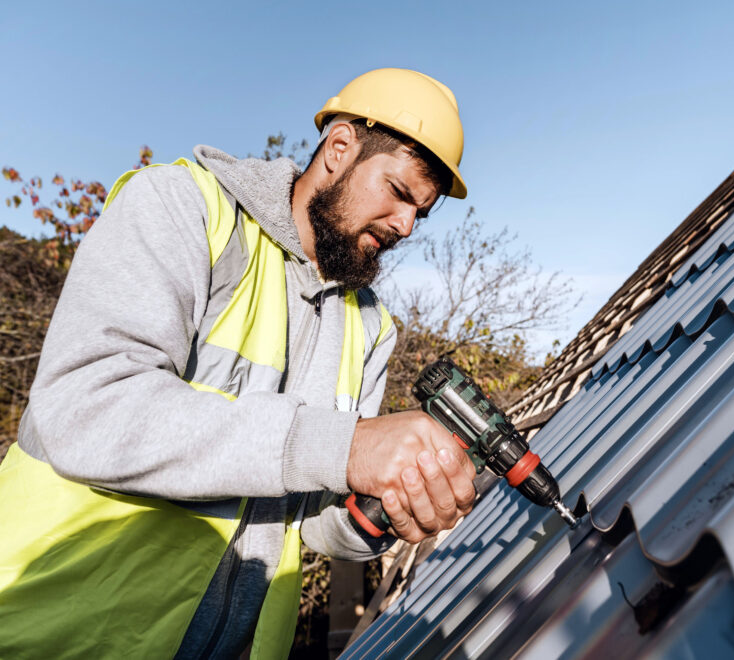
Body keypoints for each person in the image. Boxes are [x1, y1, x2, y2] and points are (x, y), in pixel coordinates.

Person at [0, 68, 475, 659]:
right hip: (53, 635)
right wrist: (345, 446)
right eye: (399, 193)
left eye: (420, 213)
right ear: (340, 148)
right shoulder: (182, 209)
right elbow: (84, 410)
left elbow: (311, 521)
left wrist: (382, 508)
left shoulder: (369, 325)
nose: (405, 226)